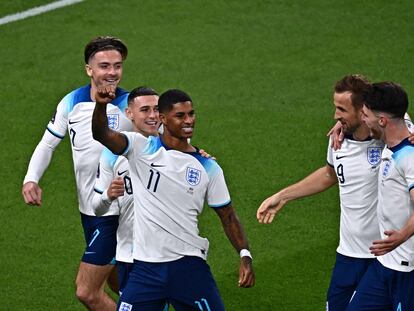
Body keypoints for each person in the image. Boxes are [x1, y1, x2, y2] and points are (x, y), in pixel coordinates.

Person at [92, 86, 255, 310]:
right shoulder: (141, 148)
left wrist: (245, 255)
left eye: (191, 114)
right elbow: (102, 134)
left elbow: (228, 216)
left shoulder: (209, 167)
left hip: (188, 266)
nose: (189, 121)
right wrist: (100, 104)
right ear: (163, 119)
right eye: (180, 116)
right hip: (145, 269)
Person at [22, 36, 131, 310]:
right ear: (89, 69)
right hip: (89, 209)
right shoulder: (71, 102)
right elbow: (48, 143)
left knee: (87, 291)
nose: (112, 72)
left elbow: (166, 140)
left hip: (118, 212)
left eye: (117, 66)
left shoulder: (132, 105)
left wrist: (196, 153)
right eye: (104, 66)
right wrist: (31, 179)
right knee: (120, 283)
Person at [257, 74, 384, 311]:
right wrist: (283, 196)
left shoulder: (388, 140)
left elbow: (398, 109)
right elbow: (329, 174)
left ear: (364, 109)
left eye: (342, 109)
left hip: (383, 255)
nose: (335, 116)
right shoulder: (338, 142)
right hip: (347, 253)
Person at [346, 82, 414, 310]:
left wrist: (401, 236)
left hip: (407, 269)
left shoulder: (408, 157)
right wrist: (341, 125)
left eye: (365, 115)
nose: (363, 120)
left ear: (383, 121)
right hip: (384, 264)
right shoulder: (397, 130)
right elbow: (395, 104)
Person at [92, 86, 160, 295]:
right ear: (129, 113)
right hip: (130, 254)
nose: (153, 116)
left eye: (157, 109)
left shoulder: (174, 148)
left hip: (169, 251)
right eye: (145, 110)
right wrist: (108, 195)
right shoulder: (111, 155)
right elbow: (97, 208)